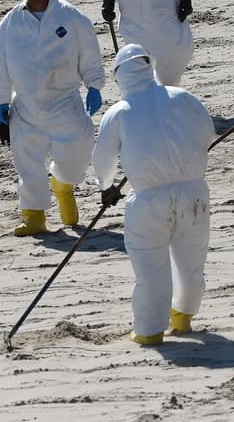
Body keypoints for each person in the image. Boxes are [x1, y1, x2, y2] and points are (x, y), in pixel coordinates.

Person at [92, 44, 214, 345]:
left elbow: (102, 157)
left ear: (120, 77)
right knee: (190, 263)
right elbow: (207, 132)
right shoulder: (182, 96)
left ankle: (149, 331)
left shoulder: (119, 112)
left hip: (147, 199)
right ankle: (183, 318)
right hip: (194, 193)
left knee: (150, 268)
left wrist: (106, 186)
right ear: (149, 67)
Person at [0, 0, 104, 236]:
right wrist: (1, 103)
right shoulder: (10, 23)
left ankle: (63, 185)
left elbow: (89, 50)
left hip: (65, 101)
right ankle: (33, 216)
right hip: (26, 107)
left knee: (77, 151)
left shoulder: (71, 16)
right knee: (27, 162)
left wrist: (94, 84)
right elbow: (1, 64)